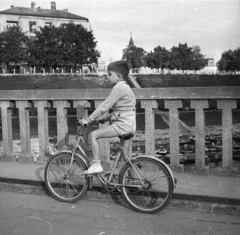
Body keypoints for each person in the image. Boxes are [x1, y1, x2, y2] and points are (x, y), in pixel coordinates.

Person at [78, 60, 136, 174]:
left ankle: (96, 164)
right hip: (130, 125)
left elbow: (104, 107)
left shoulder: (118, 88)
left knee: (93, 135)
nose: (107, 76)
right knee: (126, 157)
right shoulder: (126, 87)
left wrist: (88, 119)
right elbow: (122, 110)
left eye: (110, 74)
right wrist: (105, 118)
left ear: (118, 76)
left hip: (122, 126)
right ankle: (134, 180)